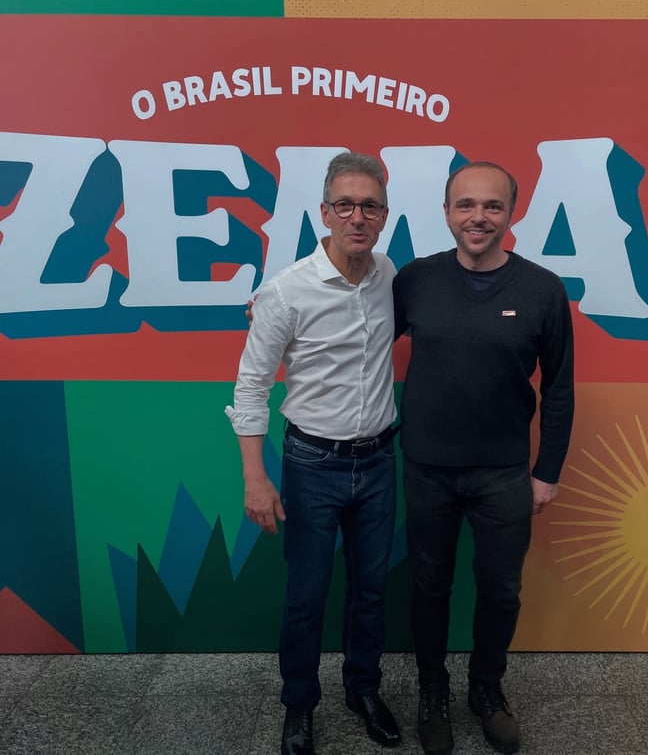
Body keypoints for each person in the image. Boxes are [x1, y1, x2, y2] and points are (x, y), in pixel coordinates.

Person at [393, 161, 575, 755]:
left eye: (492, 205)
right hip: (427, 466)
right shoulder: (414, 280)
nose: (478, 217)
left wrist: (546, 471)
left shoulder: (543, 289)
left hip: (504, 471)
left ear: (511, 213)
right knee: (429, 586)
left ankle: (487, 690)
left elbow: (560, 387)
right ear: (447, 212)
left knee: (500, 590)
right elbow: (354, 334)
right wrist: (279, 311)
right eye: (466, 204)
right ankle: (433, 692)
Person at [226, 152, 402, 755]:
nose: (358, 216)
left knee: (371, 590)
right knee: (306, 595)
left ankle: (363, 690)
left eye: (370, 206)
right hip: (311, 465)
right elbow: (250, 387)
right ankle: (299, 704)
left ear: (384, 216)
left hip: (379, 462)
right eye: (345, 205)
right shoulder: (284, 293)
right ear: (325, 213)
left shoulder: (388, 275)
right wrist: (255, 477)